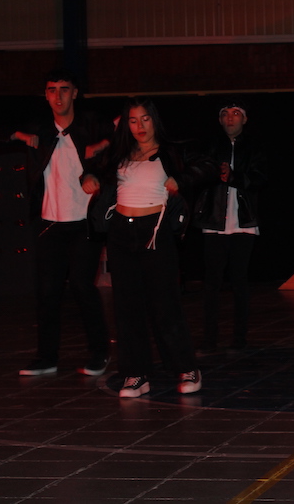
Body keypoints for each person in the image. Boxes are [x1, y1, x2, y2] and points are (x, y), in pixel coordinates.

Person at [83, 97, 216, 398]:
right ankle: (136, 374)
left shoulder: (172, 151)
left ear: (154, 120)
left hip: (155, 231)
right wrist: (89, 177)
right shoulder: (119, 153)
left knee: (165, 304)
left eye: (144, 119)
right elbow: (94, 169)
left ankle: (187, 368)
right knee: (127, 307)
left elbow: (208, 166)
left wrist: (181, 179)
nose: (139, 126)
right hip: (121, 233)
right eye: (133, 120)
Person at [0, 69, 111, 378]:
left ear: (75, 93)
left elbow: (122, 139)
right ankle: (46, 357)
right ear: (45, 95)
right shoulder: (40, 130)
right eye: (52, 90)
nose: (58, 96)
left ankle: (99, 352)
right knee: (47, 292)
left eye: (64, 89)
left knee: (82, 286)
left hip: (84, 222)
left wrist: (99, 156)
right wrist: (19, 136)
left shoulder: (90, 125)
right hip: (49, 223)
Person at [192, 98, 267, 356]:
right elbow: (196, 174)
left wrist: (234, 177)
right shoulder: (210, 146)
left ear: (244, 119)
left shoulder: (254, 147)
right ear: (220, 119)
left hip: (244, 223)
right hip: (214, 223)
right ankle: (209, 339)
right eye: (225, 114)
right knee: (211, 283)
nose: (230, 118)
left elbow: (260, 179)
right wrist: (215, 172)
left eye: (236, 113)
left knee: (239, 281)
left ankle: (239, 338)